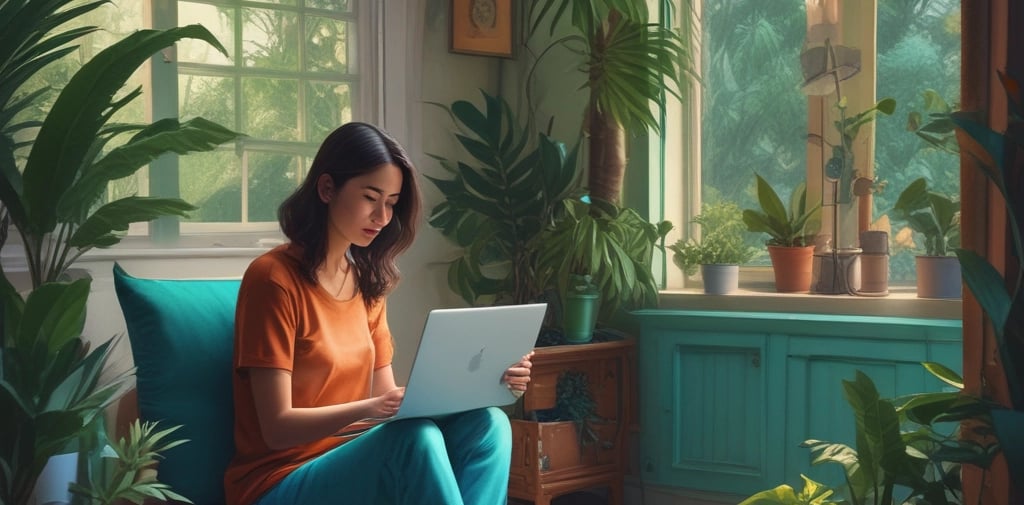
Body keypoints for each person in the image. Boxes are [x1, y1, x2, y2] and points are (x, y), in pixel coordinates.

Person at [224, 122, 534, 505]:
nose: (383, 217)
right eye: (371, 197)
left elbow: (388, 401)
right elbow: (276, 427)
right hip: (279, 481)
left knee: (490, 425)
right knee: (414, 440)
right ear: (326, 189)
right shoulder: (273, 279)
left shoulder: (367, 284)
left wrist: (488, 381)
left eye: (391, 202)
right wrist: (373, 408)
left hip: (355, 460)